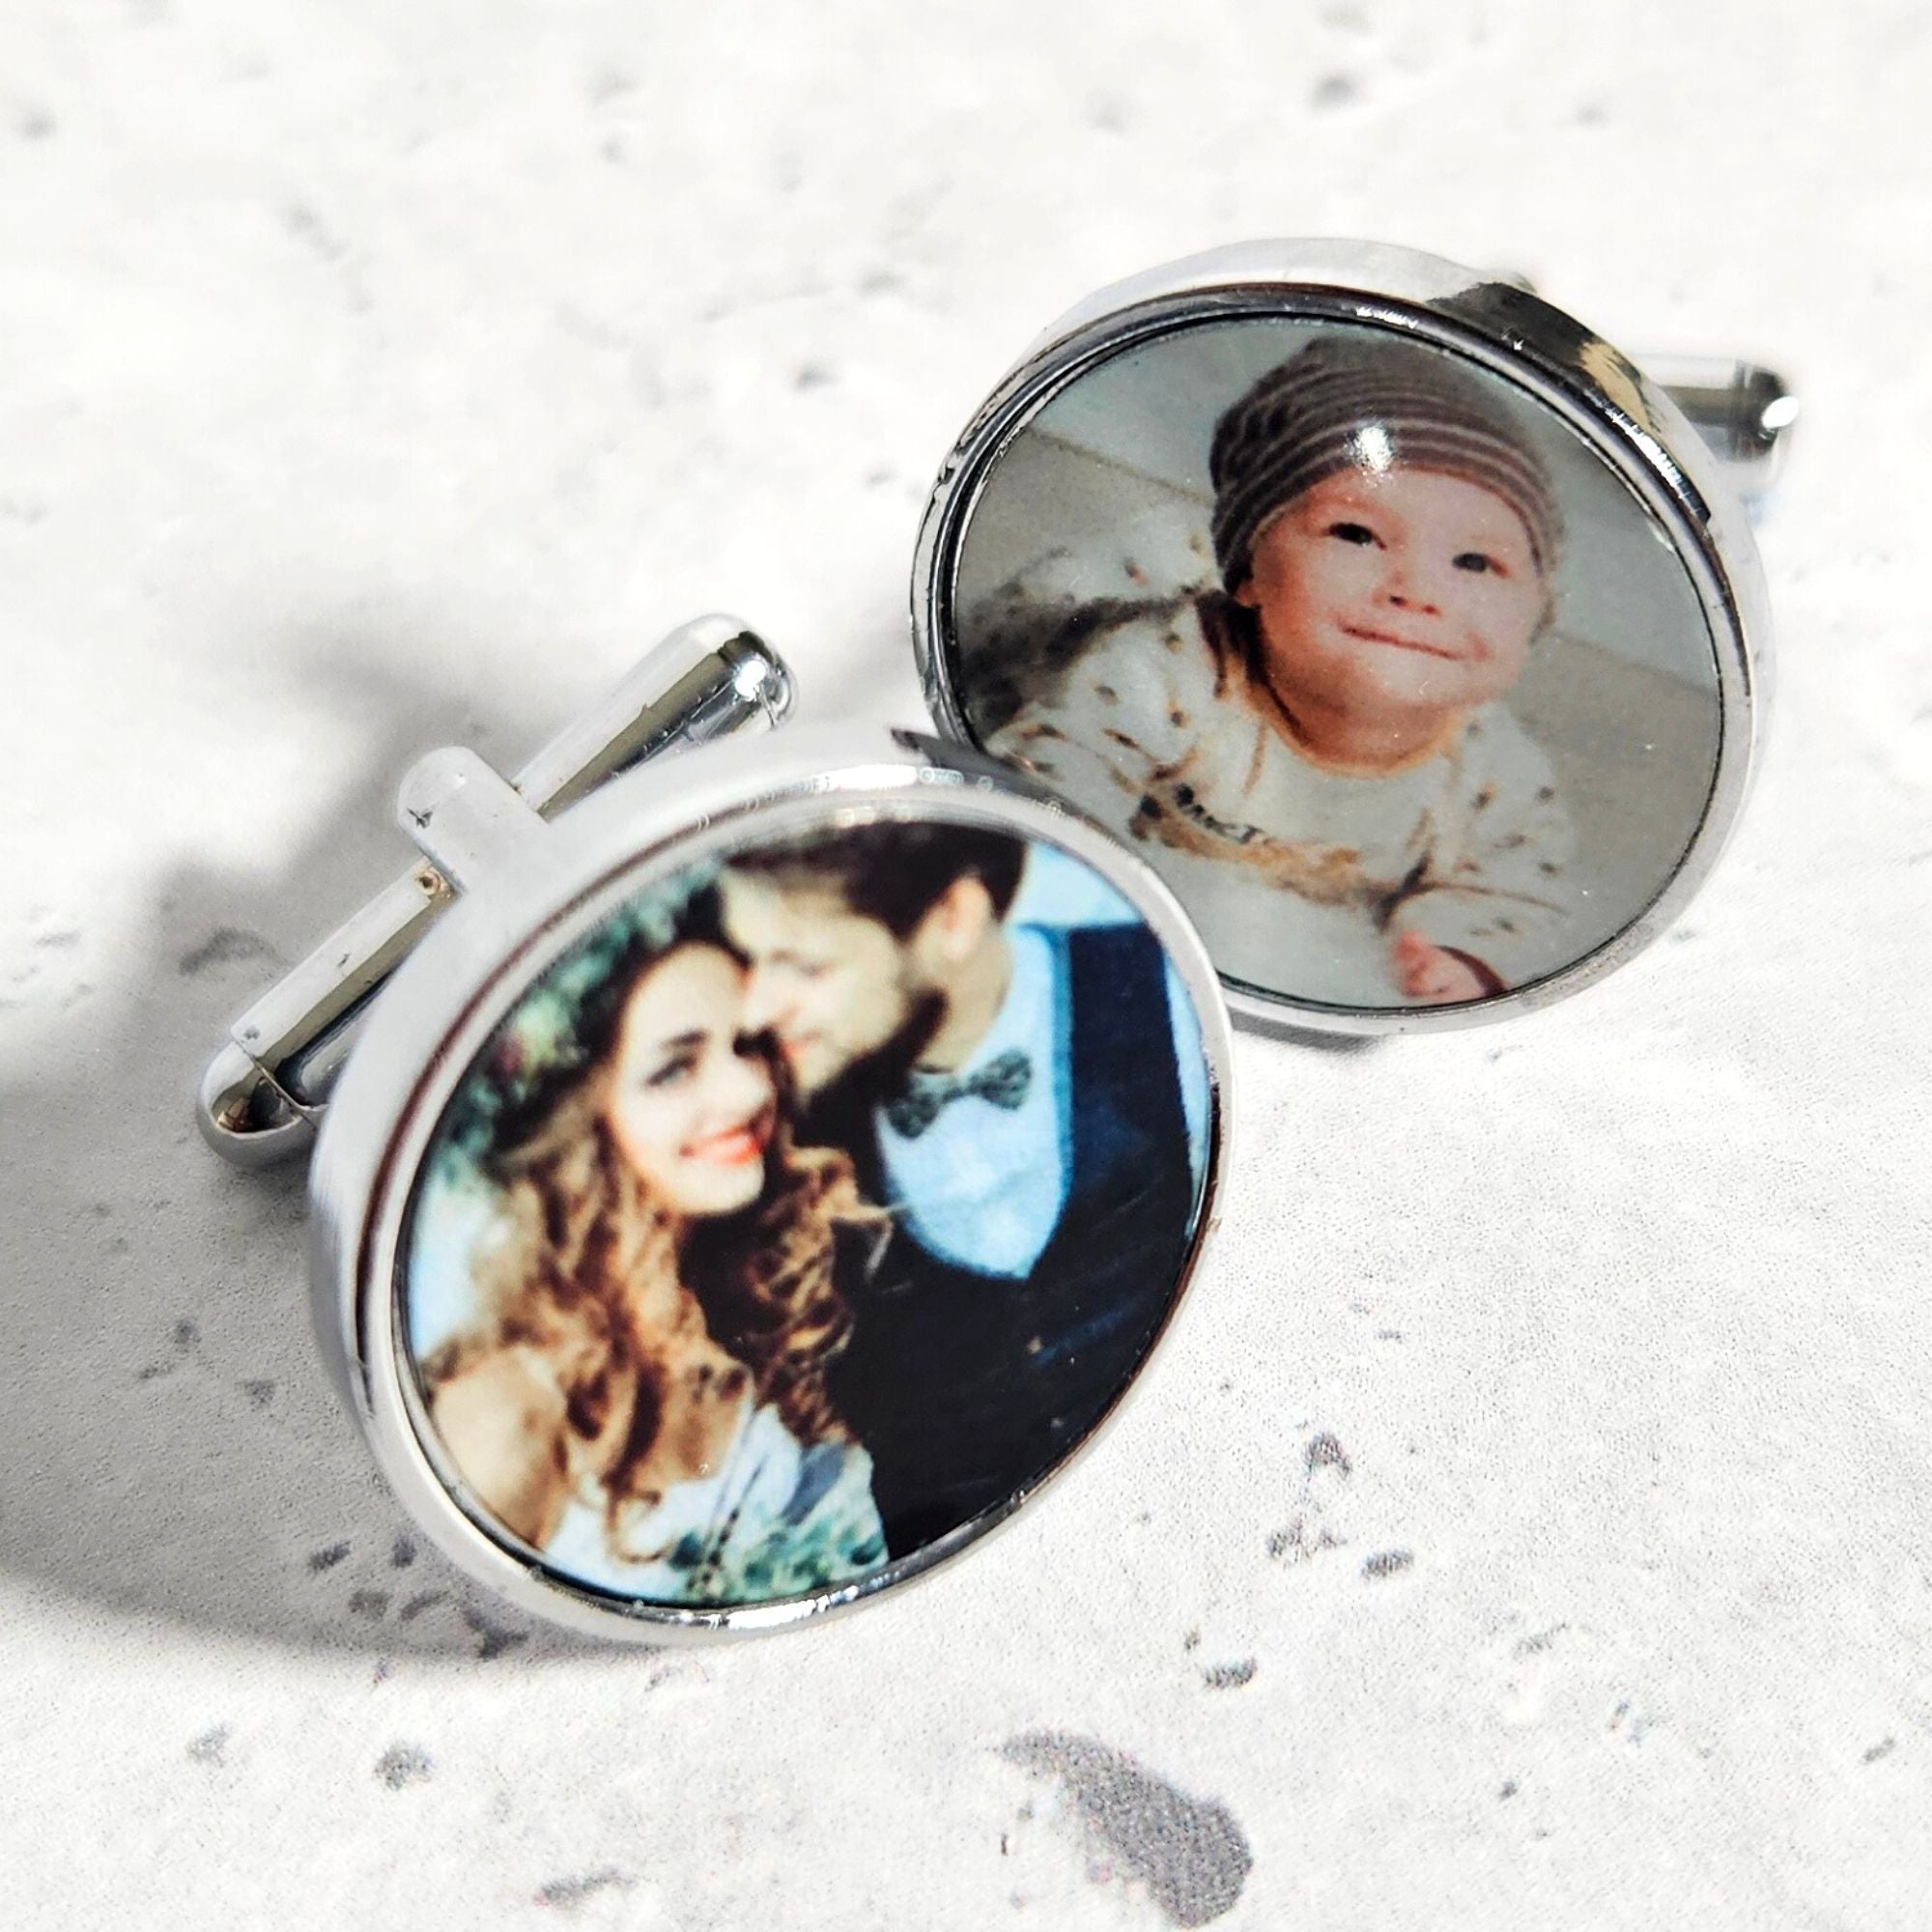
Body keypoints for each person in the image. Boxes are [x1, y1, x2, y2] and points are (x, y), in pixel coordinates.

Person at [975, 332, 1578, 1008]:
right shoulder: (1168, 666)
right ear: (1247, 571)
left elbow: (1518, 886)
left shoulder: (1493, 770)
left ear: (1536, 617)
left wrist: (1461, 950)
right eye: (1356, 534)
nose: (1417, 592)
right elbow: (1057, 774)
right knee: (1036, 637)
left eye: (1475, 563)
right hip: (1095, 631)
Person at [718, 825, 1209, 1555]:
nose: (756, 1011)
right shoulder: (761, 1113)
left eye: (806, 965)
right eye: (748, 962)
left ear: (954, 918)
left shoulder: (1162, 988)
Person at [412, 875, 888, 1607]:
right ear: (581, 1121)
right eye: (674, 1068)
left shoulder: (770, 1314)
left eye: (748, 1046)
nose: (749, 1091)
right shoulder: (511, 1412)